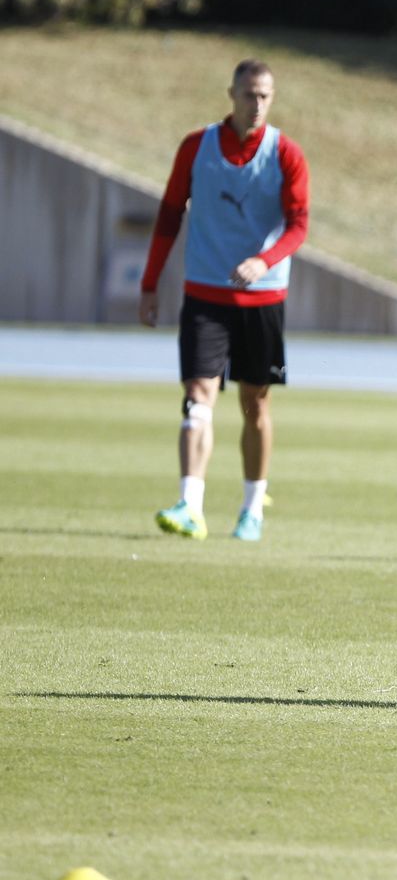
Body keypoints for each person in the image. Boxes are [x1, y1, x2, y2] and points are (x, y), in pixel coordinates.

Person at [139, 59, 310, 543]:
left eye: (265, 96)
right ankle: (189, 504)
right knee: (197, 398)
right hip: (205, 295)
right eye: (248, 94)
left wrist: (264, 260)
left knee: (254, 404)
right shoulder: (197, 148)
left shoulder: (286, 154)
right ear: (231, 94)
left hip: (263, 298)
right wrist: (150, 283)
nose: (256, 104)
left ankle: (252, 507)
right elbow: (170, 213)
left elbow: (299, 224)